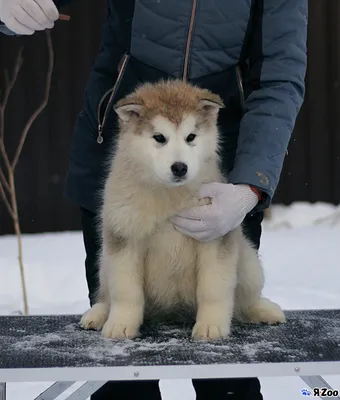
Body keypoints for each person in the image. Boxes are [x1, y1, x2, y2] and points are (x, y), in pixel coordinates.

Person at [0, 0, 308, 398]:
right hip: (126, 151)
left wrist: (250, 185)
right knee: (123, 371)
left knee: (227, 374)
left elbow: (280, 77)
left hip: (220, 170)